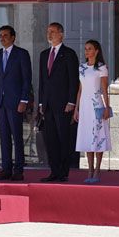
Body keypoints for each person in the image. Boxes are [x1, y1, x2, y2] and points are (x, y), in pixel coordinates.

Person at [0, 25, 32, 181]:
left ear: (13, 37)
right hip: (1, 103)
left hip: (16, 102)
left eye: (6, 35)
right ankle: (5, 169)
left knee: (17, 136)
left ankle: (18, 170)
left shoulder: (21, 54)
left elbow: (27, 79)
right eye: (1, 35)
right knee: (4, 136)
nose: (2, 38)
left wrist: (24, 100)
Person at [39, 22, 79, 182]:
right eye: (48, 31)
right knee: (51, 139)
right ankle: (54, 171)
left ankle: (63, 171)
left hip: (63, 104)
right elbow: (42, 80)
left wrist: (71, 101)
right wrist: (41, 103)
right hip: (48, 104)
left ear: (61, 34)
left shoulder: (69, 54)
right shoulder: (43, 55)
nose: (49, 35)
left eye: (53, 32)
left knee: (64, 138)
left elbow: (73, 80)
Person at [74, 40, 112, 184]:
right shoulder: (82, 68)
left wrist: (107, 107)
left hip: (96, 105)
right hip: (84, 106)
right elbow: (80, 89)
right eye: (85, 49)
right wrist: (76, 109)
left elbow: (104, 89)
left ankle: (97, 169)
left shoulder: (101, 68)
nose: (87, 51)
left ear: (96, 51)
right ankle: (89, 169)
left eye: (90, 49)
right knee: (87, 137)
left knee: (98, 135)